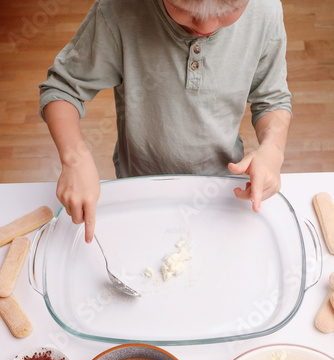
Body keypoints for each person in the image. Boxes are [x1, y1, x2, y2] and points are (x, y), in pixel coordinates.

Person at [39, 0, 292, 243]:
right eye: (184, 8)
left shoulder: (265, 11)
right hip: (139, 187)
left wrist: (273, 148)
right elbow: (62, 89)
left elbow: (272, 100)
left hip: (223, 190)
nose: (206, 26)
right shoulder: (118, 10)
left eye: (229, 9)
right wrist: (74, 158)